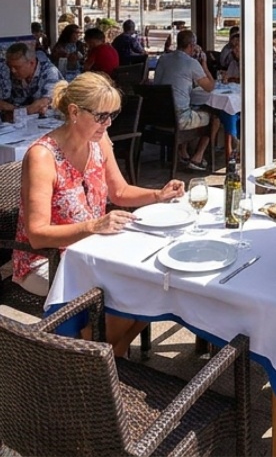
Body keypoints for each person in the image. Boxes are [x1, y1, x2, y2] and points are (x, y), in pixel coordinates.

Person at [12, 73, 183, 355]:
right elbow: (37, 235)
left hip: (94, 249)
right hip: (47, 260)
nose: (109, 124)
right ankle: (98, 354)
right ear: (74, 112)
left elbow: (119, 192)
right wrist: (94, 225)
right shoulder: (42, 156)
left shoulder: (99, 142)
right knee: (129, 287)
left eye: (112, 115)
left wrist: (157, 194)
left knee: (157, 279)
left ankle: (104, 353)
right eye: (102, 116)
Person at [152, 29, 219, 171]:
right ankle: (198, 157)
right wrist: (204, 65)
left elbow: (157, 83)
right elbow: (210, 87)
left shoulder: (164, 59)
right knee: (214, 116)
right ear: (192, 46)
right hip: (179, 119)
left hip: (158, 117)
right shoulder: (191, 63)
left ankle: (182, 151)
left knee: (192, 107)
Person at [1, 43, 62, 118]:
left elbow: (41, 105)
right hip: (27, 122)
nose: (13, 70)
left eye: (17, 67)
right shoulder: (14, 74)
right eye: (10, 66)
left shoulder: (50, 72)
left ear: (31, 63)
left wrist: (12, 110)